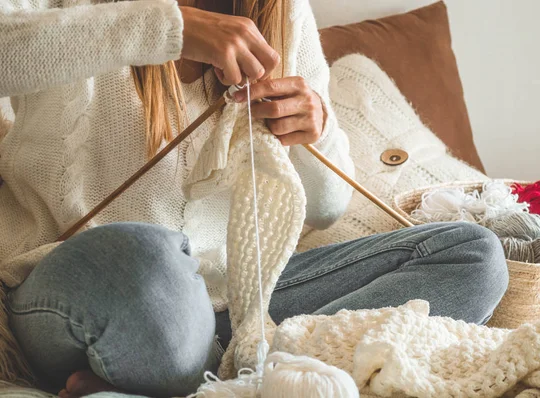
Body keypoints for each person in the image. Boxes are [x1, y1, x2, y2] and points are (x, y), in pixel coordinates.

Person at [0, 0, 509, 397]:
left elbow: (324, 208)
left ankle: (213, 383)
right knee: (149, 259)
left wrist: (315, 131)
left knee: (473, 255)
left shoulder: (281, 11)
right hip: (88, 289)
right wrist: (172, 28)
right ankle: (238, 379)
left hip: (239, 307)